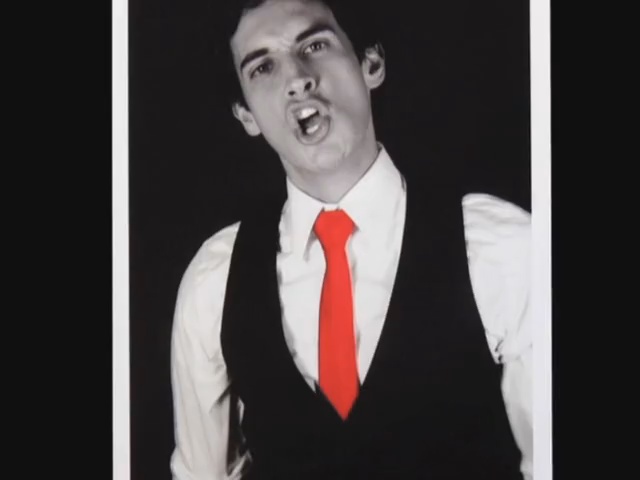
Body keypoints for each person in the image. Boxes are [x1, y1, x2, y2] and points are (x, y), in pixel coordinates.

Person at [170, 0, 532, 478]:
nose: (297, 79)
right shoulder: (215, 280)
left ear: (370, 63)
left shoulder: (503, 250)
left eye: (314, 46)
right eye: (263, 67)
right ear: (246, 115)